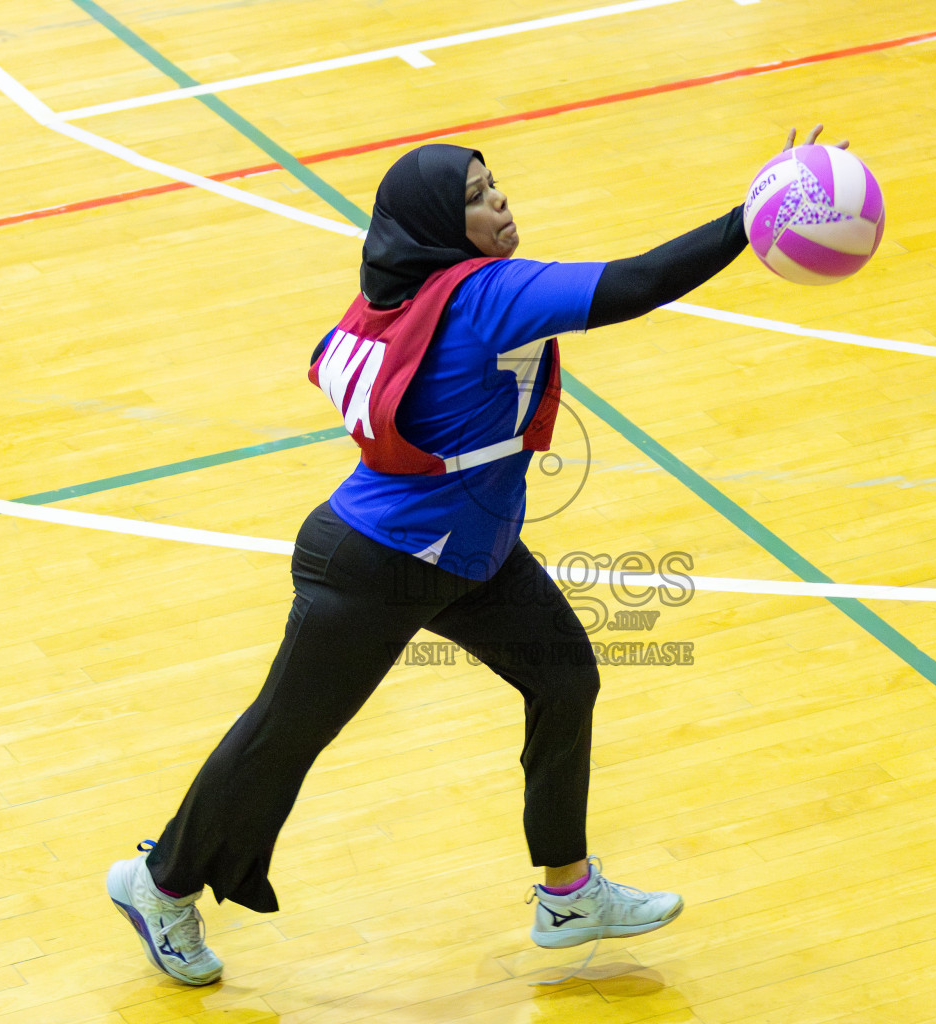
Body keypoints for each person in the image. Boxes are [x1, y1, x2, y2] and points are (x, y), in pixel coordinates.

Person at [107, 126, 844, 985]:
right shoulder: (488, 294)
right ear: (437, 227)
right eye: (474, 198)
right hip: (378, 565)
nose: (498, 202)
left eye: (494, 185)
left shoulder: (403, 295)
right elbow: (637, 283)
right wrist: (750, 219)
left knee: (563, 676)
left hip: (469, 555)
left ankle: (568, 894)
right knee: (285, 736)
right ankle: (160, 885)